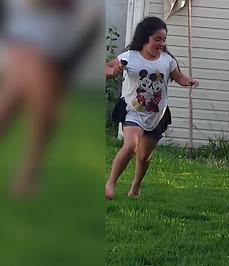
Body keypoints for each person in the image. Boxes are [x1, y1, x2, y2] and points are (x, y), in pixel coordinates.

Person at [0, 0, 100, 195]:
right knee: (26, 101)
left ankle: (28, 175)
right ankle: (28, 176)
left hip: (57, 34)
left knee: (41, 108)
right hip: (33, 33)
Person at [105, 16, 198, 199]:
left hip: (157, 113)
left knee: (144, 157)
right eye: (157, 39)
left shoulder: (167, 60)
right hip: (133, 110)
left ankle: (135, 188)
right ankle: (110, 183)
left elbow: (178, 77)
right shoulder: (129, 57)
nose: (161, 43)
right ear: (145, 38)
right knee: (131, 146)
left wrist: (188, 81)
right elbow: (107, 67)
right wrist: (112, 71)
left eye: (164, 39)